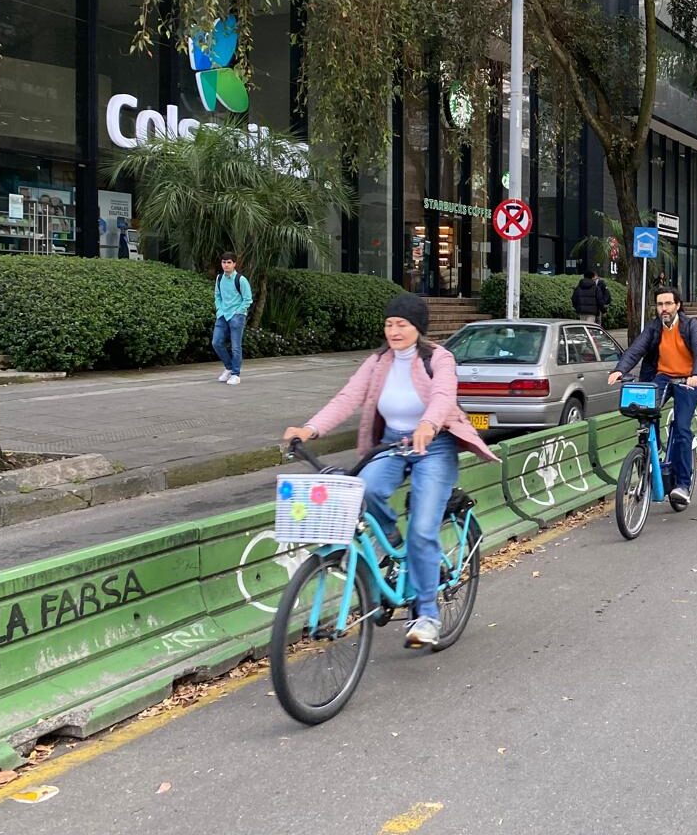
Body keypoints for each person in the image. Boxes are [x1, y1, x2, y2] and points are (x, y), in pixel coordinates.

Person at [283, 295, 499, 648]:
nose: (394, 330)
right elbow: (347, 397)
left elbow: (444, 395)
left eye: (402, 324)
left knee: (424, 527)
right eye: (389, 324)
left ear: (418, 328)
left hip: (435, 443)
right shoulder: (378, 361)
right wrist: (310, 429)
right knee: (362, 489)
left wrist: (428, 424)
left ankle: (426, 614)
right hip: (392, 444)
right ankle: (396, 545)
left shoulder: (438, 358)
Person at [607, 287, 697, 507]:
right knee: (645, 413)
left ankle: (682, 484)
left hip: (687, 380)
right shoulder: (654, 328)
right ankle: (649, 451)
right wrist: (620, 369)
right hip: (662, 378)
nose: (664, 309)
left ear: (677, 305)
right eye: (660, 304)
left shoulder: (690, 326)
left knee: (682, 428)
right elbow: (636, 349)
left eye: (668, 304)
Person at [213, 252, 253, 385]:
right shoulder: (219, 278)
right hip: (223, 315)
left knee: (236, 346)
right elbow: (217, 296)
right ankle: (229, 368)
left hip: (237, 316)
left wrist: (239, 312)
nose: (226, 265)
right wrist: (219, 310)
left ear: (234, 264)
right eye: (224, 262)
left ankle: (236, 374)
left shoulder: (241, 280)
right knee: (216, 342)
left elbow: (248, 299)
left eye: (229, 262)